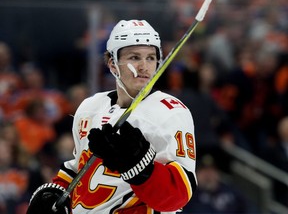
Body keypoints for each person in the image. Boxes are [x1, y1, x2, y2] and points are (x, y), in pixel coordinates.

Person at [27, 19, 197, 214]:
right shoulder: (90, 107)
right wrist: (53, 195)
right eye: (134, 57)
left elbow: (179, 196)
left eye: (151, 58)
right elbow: (77, 171)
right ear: (112, 63)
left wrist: (140, 168)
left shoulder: (171, 112)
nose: (144, 66)